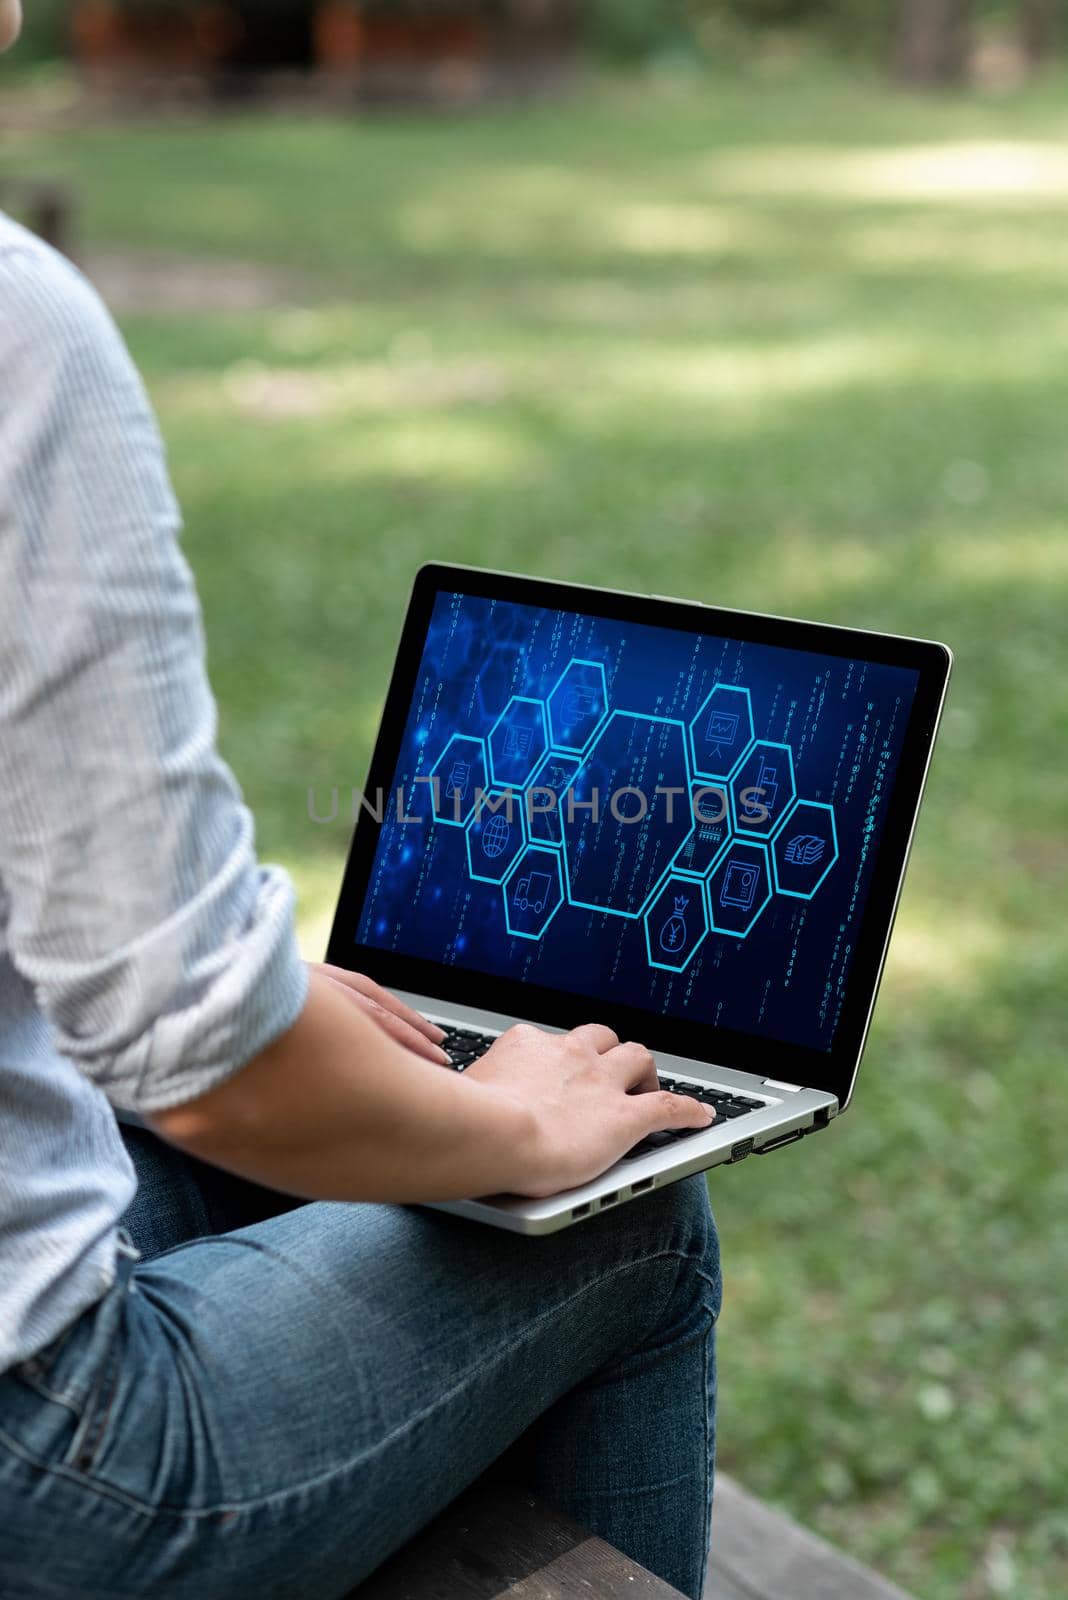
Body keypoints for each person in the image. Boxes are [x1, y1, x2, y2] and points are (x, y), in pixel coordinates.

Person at [0, 4, 721, 1595]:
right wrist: (515, 1127)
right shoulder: (14, 329)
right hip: (44, 1473)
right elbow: (212, 1078)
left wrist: (233, 996)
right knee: (626, 1219)